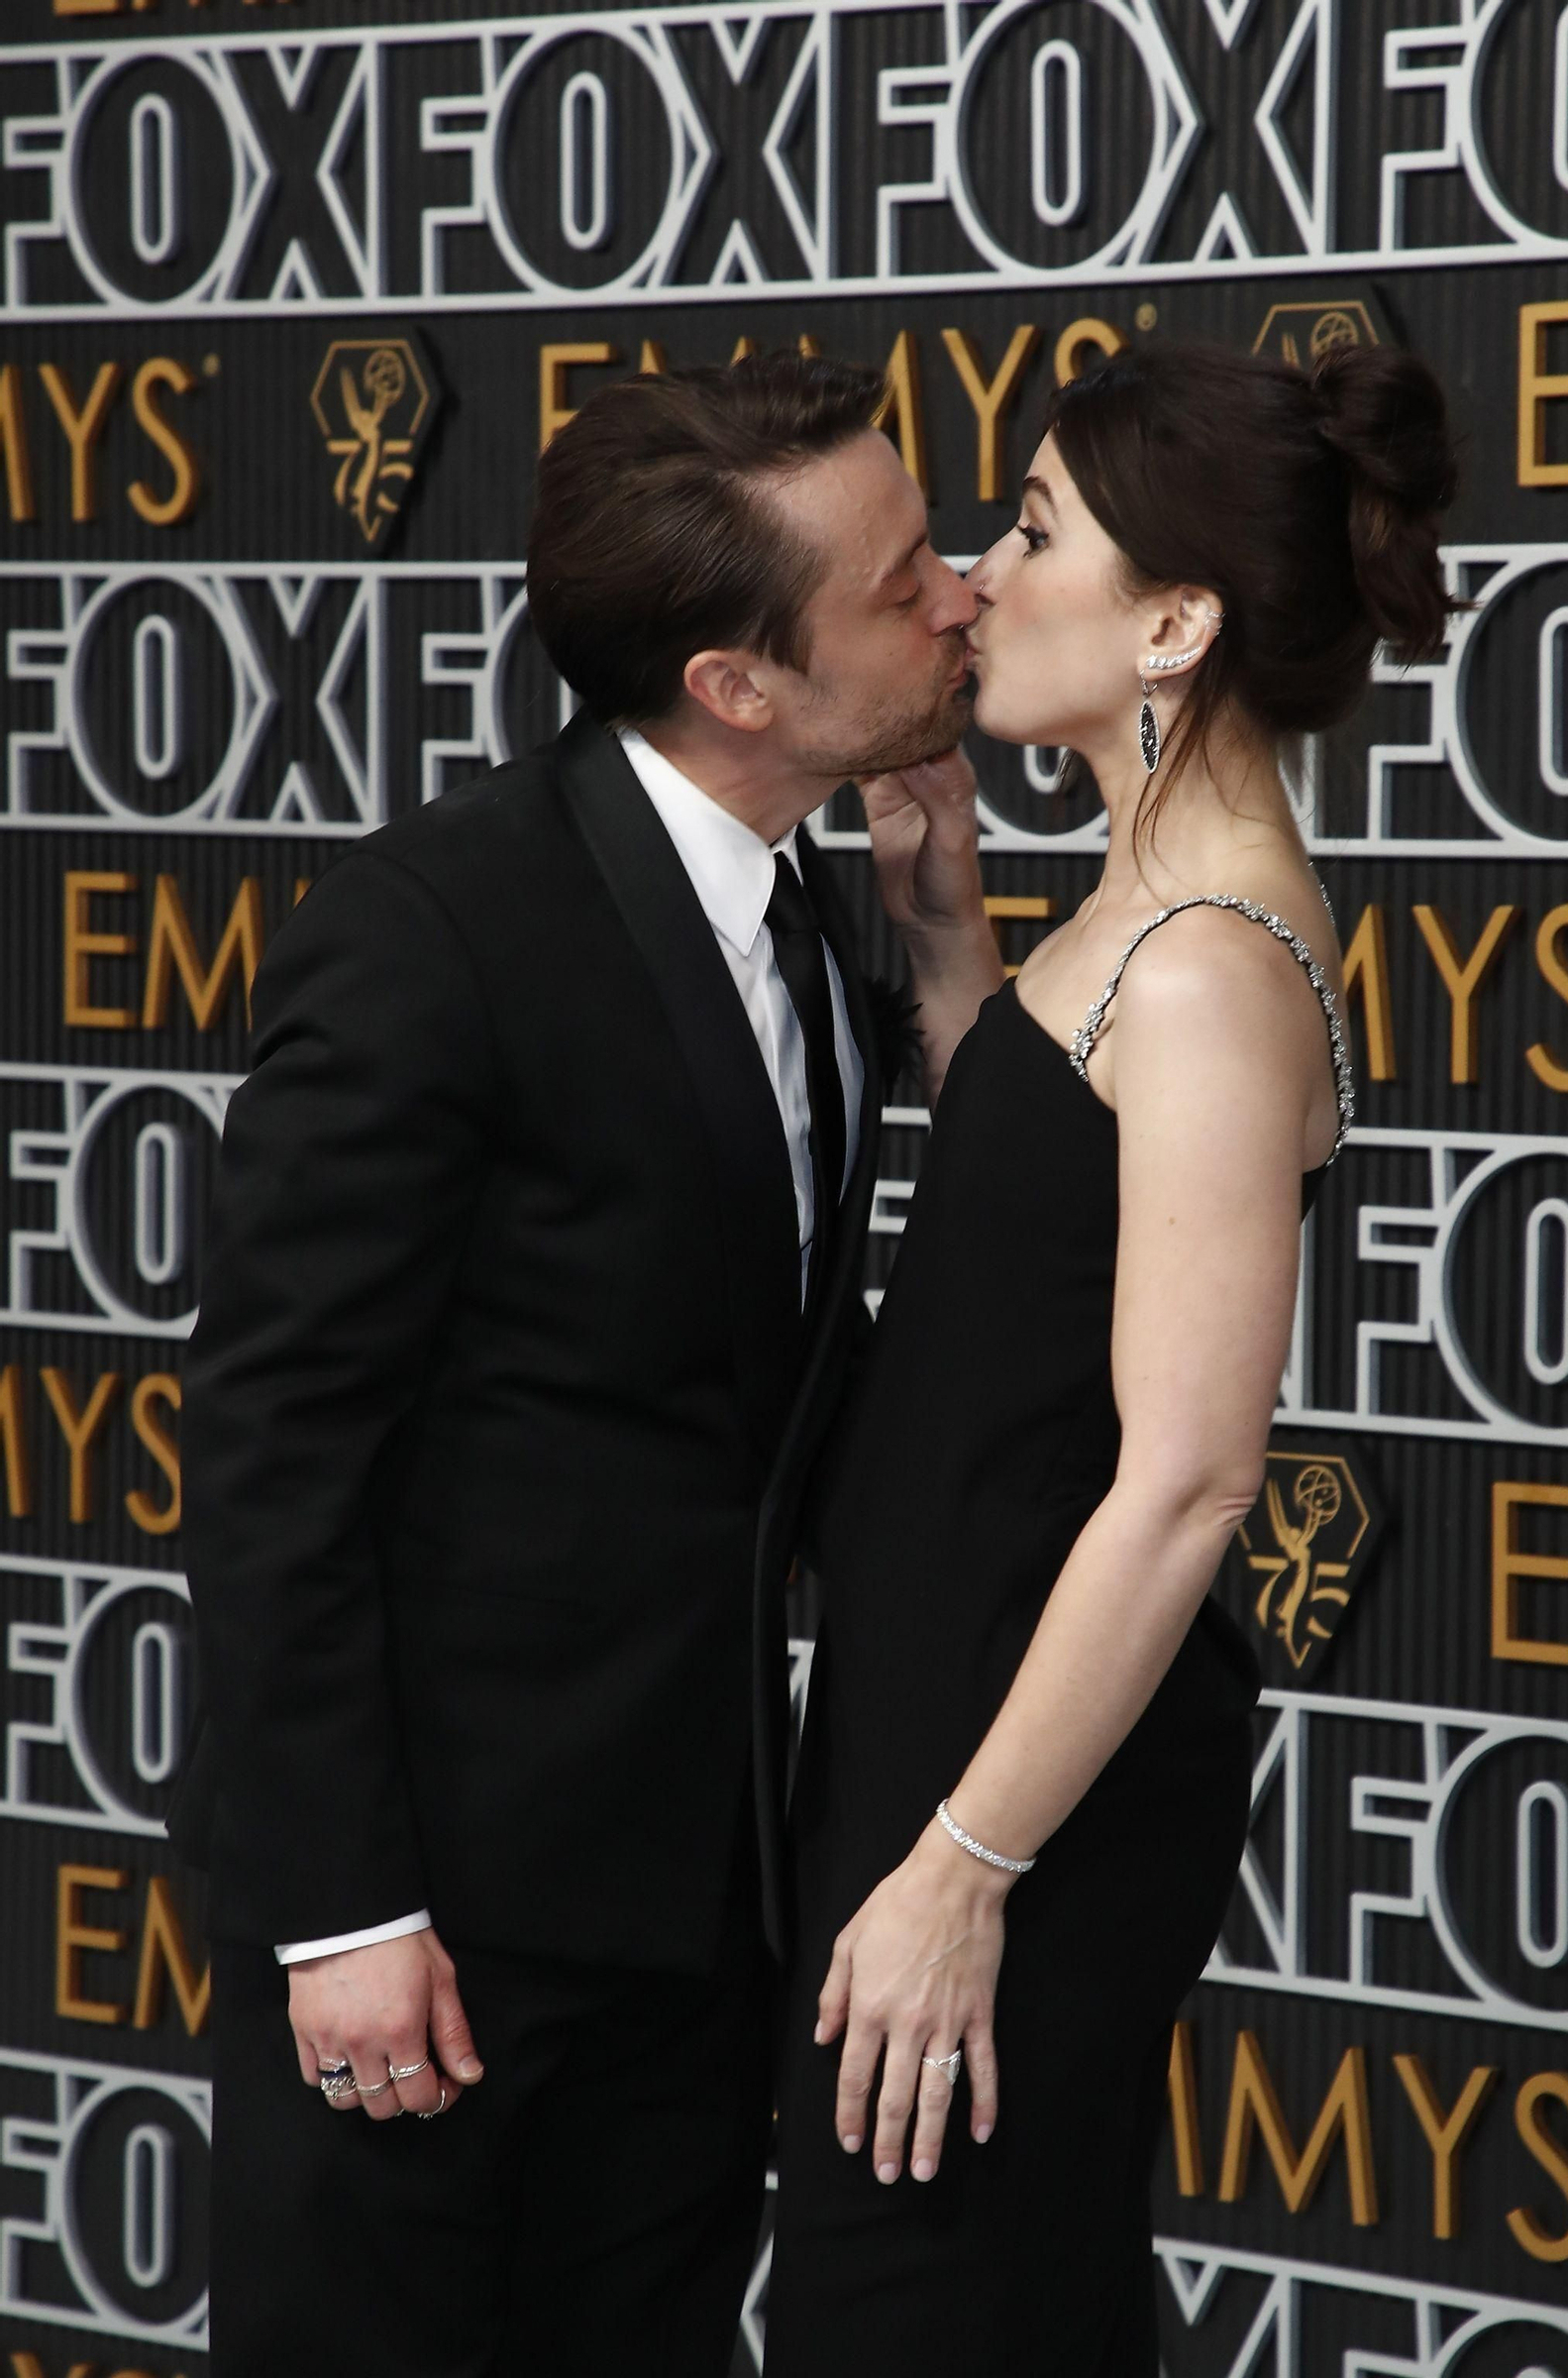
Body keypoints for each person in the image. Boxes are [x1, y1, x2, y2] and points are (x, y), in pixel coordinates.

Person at [164, 352, 986, 2377]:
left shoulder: (820, 910)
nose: (960, 593)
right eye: (900, 583)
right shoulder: (435, 931)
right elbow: (274, 1451)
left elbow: (776, 1390)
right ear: (737, 684)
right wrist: (343, 1916)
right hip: (433, 1938)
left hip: (697, 1919)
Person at [767, 338, 1460, 2371]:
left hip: (1021, 1794)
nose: (977, 578)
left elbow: (1187, 1479)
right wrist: (950, 940)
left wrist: (964, 1869)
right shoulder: (1143, 914)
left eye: (1033, 529)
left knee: (941, 2310)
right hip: (946, 1724)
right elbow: (1057, 1222)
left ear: (1173, 623)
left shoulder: (1209, 966)